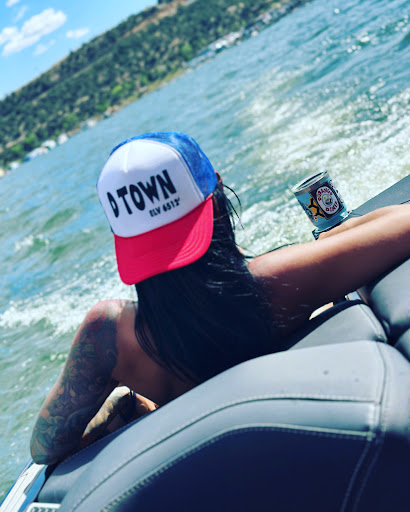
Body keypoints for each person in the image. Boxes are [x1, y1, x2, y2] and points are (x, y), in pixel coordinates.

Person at [30, 131, 410, 465]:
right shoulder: (274, 284)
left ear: (125, 239)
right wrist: (331, 238)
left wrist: (127, 404)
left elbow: (45, 448)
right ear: (217, 194)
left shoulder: (109, 336)